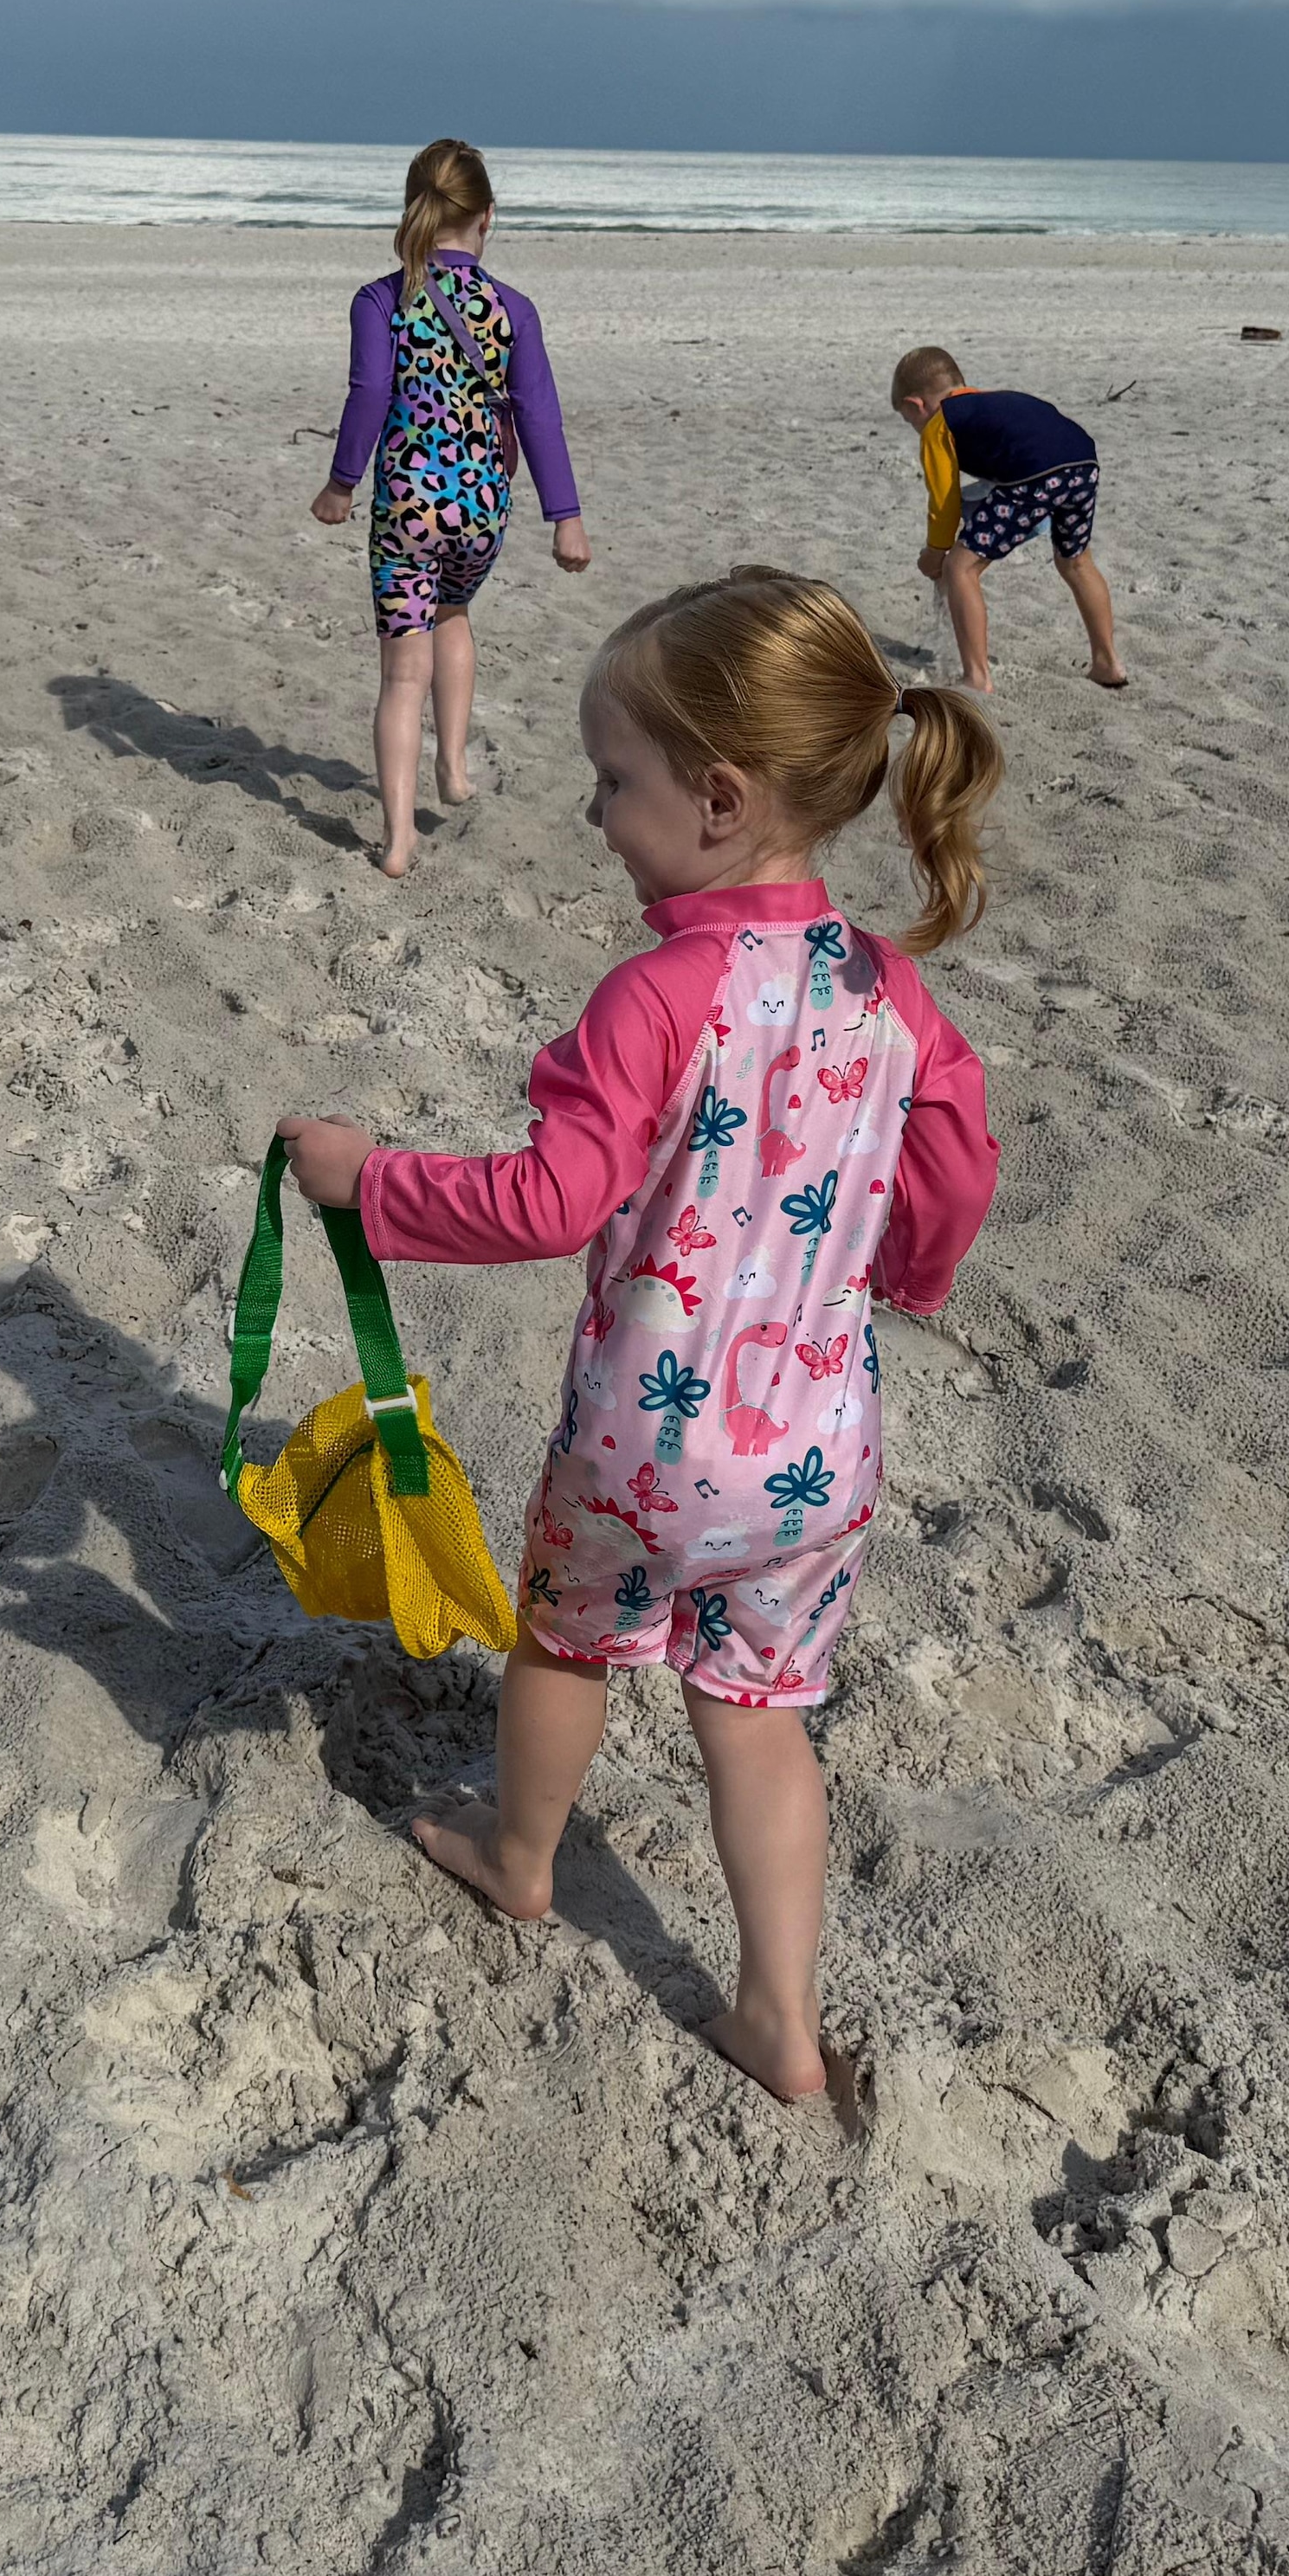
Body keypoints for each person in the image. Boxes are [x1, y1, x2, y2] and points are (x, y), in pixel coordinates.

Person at [274, 568, 1002, 2103]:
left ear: (719, 800)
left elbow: (554, 1198)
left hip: (644, 1442)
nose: (599, 813)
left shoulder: (659, 993)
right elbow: (955, 1161)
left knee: (566, 1641)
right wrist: (908, 1278)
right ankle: (777, 2019)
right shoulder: (891, 990)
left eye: (618, 780)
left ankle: (518, 1852)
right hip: (818, 1451)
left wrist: (368, 1185)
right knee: (760, 1718)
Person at [311, 139, 592, 878]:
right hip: (481, 508)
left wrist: (342, 483)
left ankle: (399, 838)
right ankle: (456, 768)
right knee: (456, 615)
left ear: (413, 208)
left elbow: (369, 395)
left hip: (406, 505)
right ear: (487, 218)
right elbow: (540, 415)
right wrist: (566, 516)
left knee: (403, 676)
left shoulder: (381, 300)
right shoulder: (514, 309)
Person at [891, 345, 1126, 692]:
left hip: (1033, 479)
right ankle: (1108, 664)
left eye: (908, 420)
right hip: (1083, 465)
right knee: (1075, 562)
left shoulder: (939, 426)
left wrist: (935, 552)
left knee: (960, 567)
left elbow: (944, 502)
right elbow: (1010, 466)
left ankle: (976, 677)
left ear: (916, 405)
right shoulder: (995, 404)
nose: (914, 427)